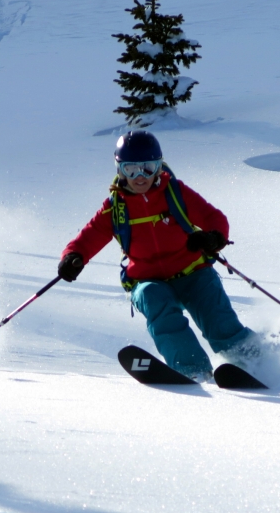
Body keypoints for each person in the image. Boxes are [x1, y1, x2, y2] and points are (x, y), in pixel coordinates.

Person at [57, 130, 254, 381]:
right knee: (155, 301)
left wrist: (213, 238)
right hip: (147, 280)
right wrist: (72, 257)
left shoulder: (176, 193)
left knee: (216, 317)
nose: (140, 177)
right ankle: (192, 369)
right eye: (131, 170)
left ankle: (251, 359)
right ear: (120, 170)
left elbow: (214, 218)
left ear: (159, 166)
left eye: (148, 168)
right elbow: (88, 236)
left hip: (192, 270)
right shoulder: (115, 207)